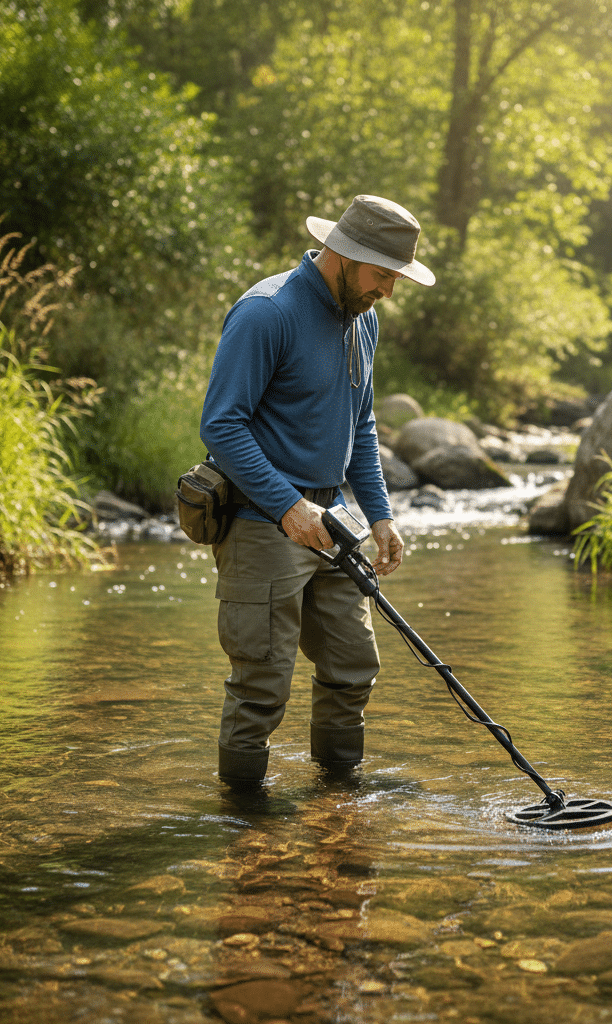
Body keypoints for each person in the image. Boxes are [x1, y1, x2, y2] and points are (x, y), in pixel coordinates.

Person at [199, 195, 435, 785]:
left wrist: (380, 515)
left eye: (396, 278)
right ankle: (245, 830)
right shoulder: (266, 313)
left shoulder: (364, 317)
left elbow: (362, 421)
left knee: (353, 667)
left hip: (334, 522)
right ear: (342, 255)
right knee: (261, 685)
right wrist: (287, 506)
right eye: (383, 275)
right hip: (261, 523)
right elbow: (221, 425)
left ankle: (337, 803)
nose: (388, 291)